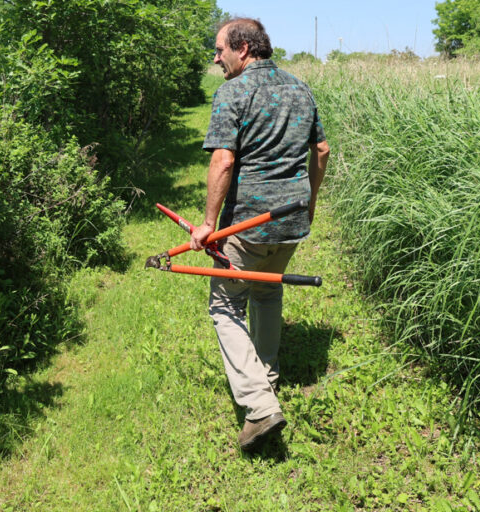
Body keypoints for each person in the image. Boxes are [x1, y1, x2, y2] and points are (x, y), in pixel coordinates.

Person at [190, 18, 330, 450]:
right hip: (291, 221)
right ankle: (266, 378)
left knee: (225, 305)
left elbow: (223, 162)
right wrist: (310, 201)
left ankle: (259, 403)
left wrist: (208, 224)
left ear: (244, 48)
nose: (216, 59)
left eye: (219, 50)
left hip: (246, 225)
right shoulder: (300, 87)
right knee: (268, 294)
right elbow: (321, 151)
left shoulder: (233, 91)